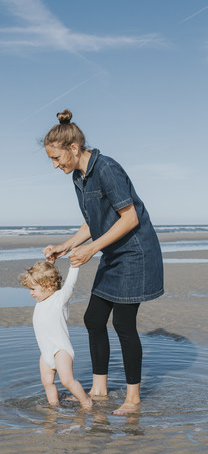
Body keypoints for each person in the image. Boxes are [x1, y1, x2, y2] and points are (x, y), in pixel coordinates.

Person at [42, 109, 164, 415]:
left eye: (57, 159)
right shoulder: (79, 178)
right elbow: (92, 221)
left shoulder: (106, 168)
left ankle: (133, 400)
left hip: (135, 253)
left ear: (73, 148)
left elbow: (130, 217)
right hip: (113, 253)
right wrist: (66, 246)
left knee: (123, 324)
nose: (55, 166)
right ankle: (98, 390)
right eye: (51, 161)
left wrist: (92, 249)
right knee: (94, 320)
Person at [19, 261, 92, 409]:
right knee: (47, 382)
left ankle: (86, 402)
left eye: (33, 289)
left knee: (67, 381)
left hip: (60, 350)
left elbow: (70, 286)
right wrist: (48, 263)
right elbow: (44, 274)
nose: (30, 293)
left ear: (49, 287)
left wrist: (74, 267)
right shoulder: (41, 300)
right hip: (45, 352)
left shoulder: (58, 300)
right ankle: (53, 405)